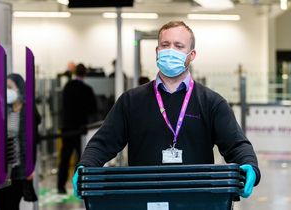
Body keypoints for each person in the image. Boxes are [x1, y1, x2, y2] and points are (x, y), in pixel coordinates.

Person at [72, 21, 260, 199]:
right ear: (157, 50)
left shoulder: (211, 102)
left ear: (191, 55)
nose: (171, 51)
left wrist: (249, 165)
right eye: (165, 44)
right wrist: (85, 166)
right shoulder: (131, 101)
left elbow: (236, 145)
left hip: (197, 199)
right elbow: (103, 143)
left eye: (179, 46)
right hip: (143, 198)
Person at [0, 73, 41, 210]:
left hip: (18, 169)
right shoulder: (1, 109)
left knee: (12, 205)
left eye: (10, 87)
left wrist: (30, 167)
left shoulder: (28, 111)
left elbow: (32, 142)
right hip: (0, 169)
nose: (7, 91)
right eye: (4, 87)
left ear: (19, 89)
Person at [57, 63, 97, 194]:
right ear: (85, 74)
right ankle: (81, 185)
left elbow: (62, 106)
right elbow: (93, 109)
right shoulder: (87, 89)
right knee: (82, 159)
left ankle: (60, 186)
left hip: (67, 128)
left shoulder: (67, 87)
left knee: (65, 158)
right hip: (81, 130)